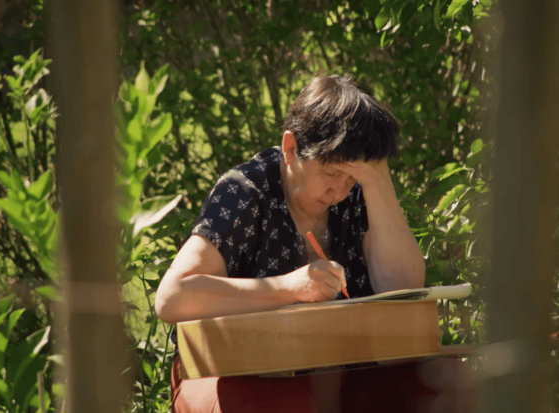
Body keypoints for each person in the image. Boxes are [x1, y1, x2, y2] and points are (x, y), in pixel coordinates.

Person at [155, 75, 474, 413]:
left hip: (346, 366)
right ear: (290, 148)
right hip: (237, 369)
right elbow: (173, 297)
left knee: (454, 386)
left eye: (352, 177)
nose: (339, 192)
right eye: (331, 173)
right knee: (284, 406)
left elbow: (403, 286)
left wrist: (377, 179)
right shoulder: (245, 191)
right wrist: (289, 288)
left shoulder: (359, 192)